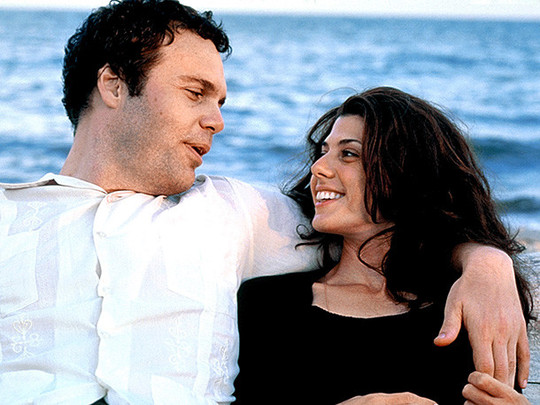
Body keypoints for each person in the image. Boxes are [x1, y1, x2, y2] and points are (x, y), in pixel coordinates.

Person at [0, 1, 530, 404]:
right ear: (114, 86)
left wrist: (486, 262)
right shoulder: (8, 218)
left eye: (220, 101)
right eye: (195, 93)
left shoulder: (234, 213)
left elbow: (388, 215)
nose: (217, 121)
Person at [233, 87, 534, 405]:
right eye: (323, 151)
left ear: (406, 173)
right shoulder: (268, 304)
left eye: (348, 154)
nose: (317, 167)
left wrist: (489, 261)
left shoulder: (469, 305)